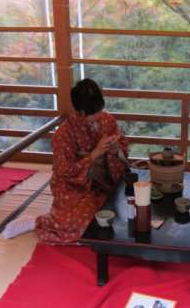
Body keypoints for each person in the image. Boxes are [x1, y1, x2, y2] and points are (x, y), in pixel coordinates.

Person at [36, 78, 128, 244]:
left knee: (120, 215)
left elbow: (122, 149)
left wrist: (116, 150)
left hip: (104, 182)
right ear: (81, 112)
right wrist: (94, 154)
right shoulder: (64, 134)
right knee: (79, 225)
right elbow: (65, 171)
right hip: (74, 187)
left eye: (100, 110)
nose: (100, 116)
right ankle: (41, 221)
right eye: (94, 114)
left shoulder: (107, 120)